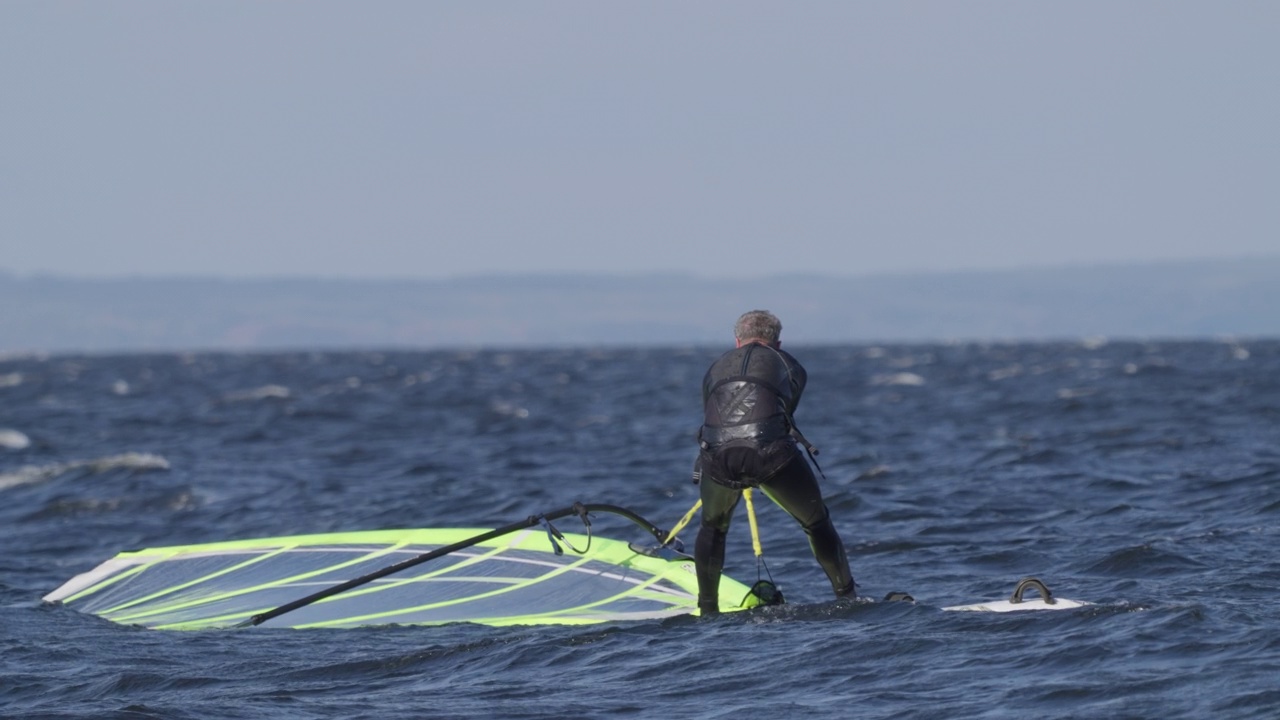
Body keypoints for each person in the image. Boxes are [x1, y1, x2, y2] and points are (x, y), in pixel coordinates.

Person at [693, 309, 854, 614]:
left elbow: (712, 416)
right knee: (816, 522)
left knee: (712, 528)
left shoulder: (714, 367)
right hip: (770, 455)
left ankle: (707, 611)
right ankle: (847, 597)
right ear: (777, 343)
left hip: (716, 457)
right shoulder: (789, 363)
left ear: (736, 341)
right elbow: (785, 413)